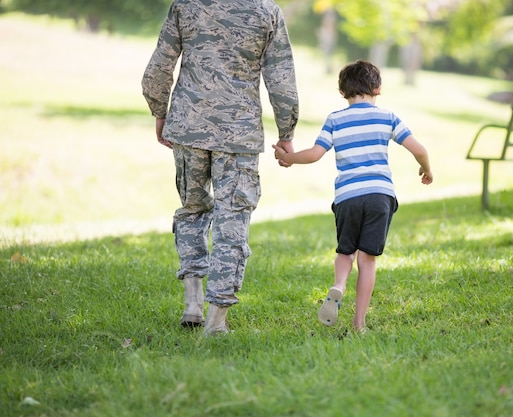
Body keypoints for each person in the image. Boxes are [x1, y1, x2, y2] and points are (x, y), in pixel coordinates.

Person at [142, 0, 299, 336]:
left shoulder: (186, 6)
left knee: (192, 210)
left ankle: (193, 303)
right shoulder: (266, 11)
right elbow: (281, 79)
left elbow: (159, 66)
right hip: (239, 135)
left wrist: (160, 112)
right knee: (233, 220)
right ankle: (216, 321)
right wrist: (286, 133)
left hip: (188, 128)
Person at [272, 60, 432, 333]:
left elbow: (314, 154)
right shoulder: (387, 117)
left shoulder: (336, 119)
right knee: (367, 258)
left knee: (346, 251)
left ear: (342, 92)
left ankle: (339, 285)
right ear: (377, 89)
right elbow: (419, 149)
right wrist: (426, 169)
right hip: (380, 196)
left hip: (347, 196)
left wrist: (289, 158)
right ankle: (359, 323)